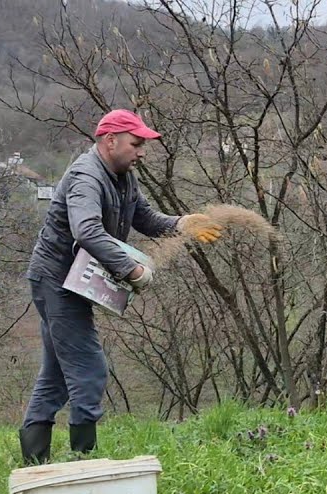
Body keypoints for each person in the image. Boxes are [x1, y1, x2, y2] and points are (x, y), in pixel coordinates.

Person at [18, 109, 222, 464]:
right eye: (136, 143)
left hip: (72, 281)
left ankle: (35, 463)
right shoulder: (86, 178)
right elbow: (87, 231)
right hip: (56, 282)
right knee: (89, 369)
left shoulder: (123, 176)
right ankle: (85, 462)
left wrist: (182, 223)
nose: (141, 151)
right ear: (110, 141)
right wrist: (131, 269)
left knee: (56, 375)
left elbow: (143, 217)